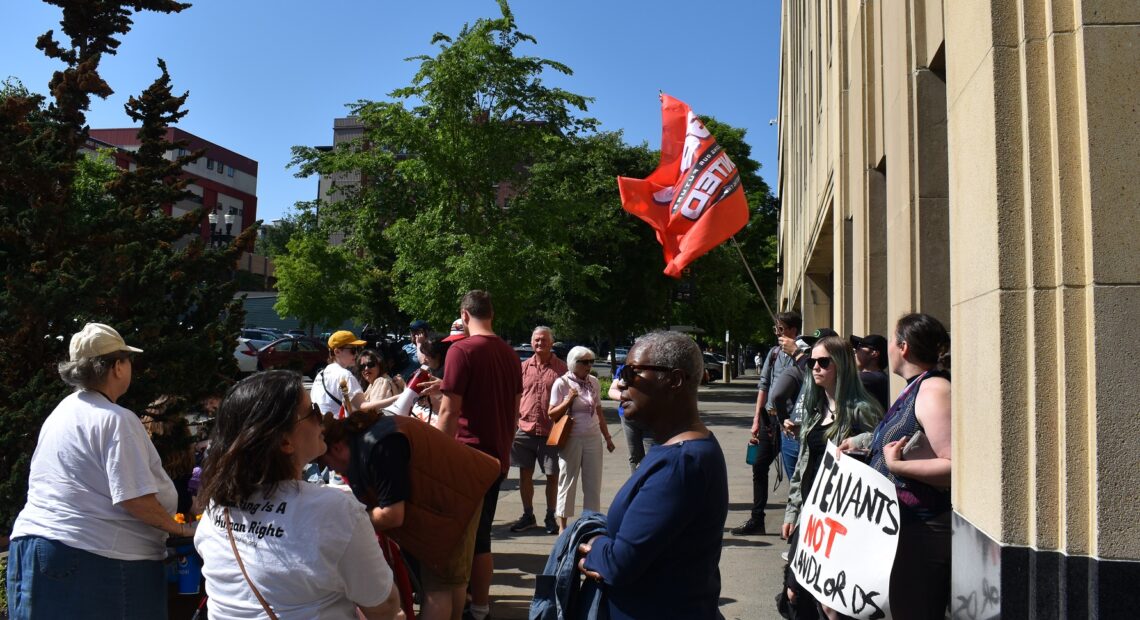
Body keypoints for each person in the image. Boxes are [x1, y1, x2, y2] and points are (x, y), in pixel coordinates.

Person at [7, 323, 184, 618]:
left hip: (36, 547)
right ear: (117, 367)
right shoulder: (116, 419)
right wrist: (181, 529)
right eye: (128, 360)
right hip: (97, 560)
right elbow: (133, 498)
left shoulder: (62, 411)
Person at [194, 370, 402, 619]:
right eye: (313, 411)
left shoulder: (217, 504)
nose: (322, 419)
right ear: (285, 443)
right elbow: (384, 605)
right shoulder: (335, 510)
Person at [577, 332, 728, 619]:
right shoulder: (680, 451)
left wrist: (594, 545)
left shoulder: (680, 465)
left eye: (632, 373)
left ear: (674, 380)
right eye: (621, 372)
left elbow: (618, 563)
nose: (620, 383)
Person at [318, 408, 501, 620]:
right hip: (454, 491)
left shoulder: (379, 447)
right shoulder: (367, 442)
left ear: (338, 447)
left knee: (438, 589)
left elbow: (392, 515)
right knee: (451, 581)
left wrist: (349, 522)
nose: (332, 471)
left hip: (454, 496)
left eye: (326, 463)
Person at [840, 313, 952, 619]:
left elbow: (953, 466)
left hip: (921, 533)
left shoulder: (933, 391)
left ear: (903, 347)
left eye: (891, 339)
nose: (888, 346)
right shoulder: (916, 387)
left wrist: (899, 468)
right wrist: (864, 445)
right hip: (902, 531)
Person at [779, 336, 883, 619]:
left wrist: (859, 440)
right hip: (811, 517)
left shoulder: (861, 408)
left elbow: (882, 443)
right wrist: (791, 513)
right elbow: (803, 467)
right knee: (794, 590)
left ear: (841, 365)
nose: (815, 367)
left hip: (840, 521)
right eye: (812, 361)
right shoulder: (815, 410)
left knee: (831, 605)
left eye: (823, 362)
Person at [434, 290, 522, 620]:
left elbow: (448, 412)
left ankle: (458, 610)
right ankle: (481, 607)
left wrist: (436, 457)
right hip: (496, 459)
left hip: (466, 458)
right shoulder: (511, 355)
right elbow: (513, 412)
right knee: (481, 535)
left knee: (458, 540)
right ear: (492, 313)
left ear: (464, 315)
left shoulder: (461, 350)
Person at [732, 311, 804, 536]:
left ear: (792, 330)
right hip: (769, 419)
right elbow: (764, 385)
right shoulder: (773, 354)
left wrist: (797, 354)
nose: (777, 333)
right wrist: (756, 419)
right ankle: (757, 519)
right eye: (776, 329)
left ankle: (799, 522)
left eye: (780, 329)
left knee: (796, 472)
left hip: (792, 421)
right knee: (759, 464)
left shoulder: (804, 354)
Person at [548, 346, 615, 532]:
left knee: (593, 482)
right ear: (573, 363)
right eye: (584, 362)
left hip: (593, 437)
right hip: (572, 438)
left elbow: (599, 412)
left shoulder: (593, 381)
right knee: (567, 480)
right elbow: (551, 414)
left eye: (591, 361)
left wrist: (607, 437)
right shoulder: (562, 383)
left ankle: (591, 522)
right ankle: (562, 526)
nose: (589, 365)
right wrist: (568, 400)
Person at [508, 326, 567, 535]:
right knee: (525, 473)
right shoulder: (523, 367)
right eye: (536, 340)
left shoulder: (561, 369)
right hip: (524, 429)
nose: (539, 343)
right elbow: (514, 396)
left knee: (552, 475)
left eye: (543, 340)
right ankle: (528, 515)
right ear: (531, 342)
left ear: (551, 343)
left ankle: (551, 516)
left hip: (551, 431)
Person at [608, 364, 656, 473]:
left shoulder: (655, 366)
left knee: (651, 456)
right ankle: (636, 485)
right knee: (634, 456)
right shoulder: (624, 368)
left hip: (650, 418)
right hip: (628, 418)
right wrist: (624, 396)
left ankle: (651, 485)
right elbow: (612, 390)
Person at [312, 330, 369, 416]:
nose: (357, 354)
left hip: (321, 426)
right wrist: (394, 398)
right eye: (353, 350)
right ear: (337, 352)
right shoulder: (344, 375)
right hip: (338, 427)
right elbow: (364, 408)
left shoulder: (320, 375)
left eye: (358, 349)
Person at [850, 333, 890, 409]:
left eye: (859, 347)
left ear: (874, 353)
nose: (854, 351)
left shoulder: (874, 378)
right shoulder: (874, 377)